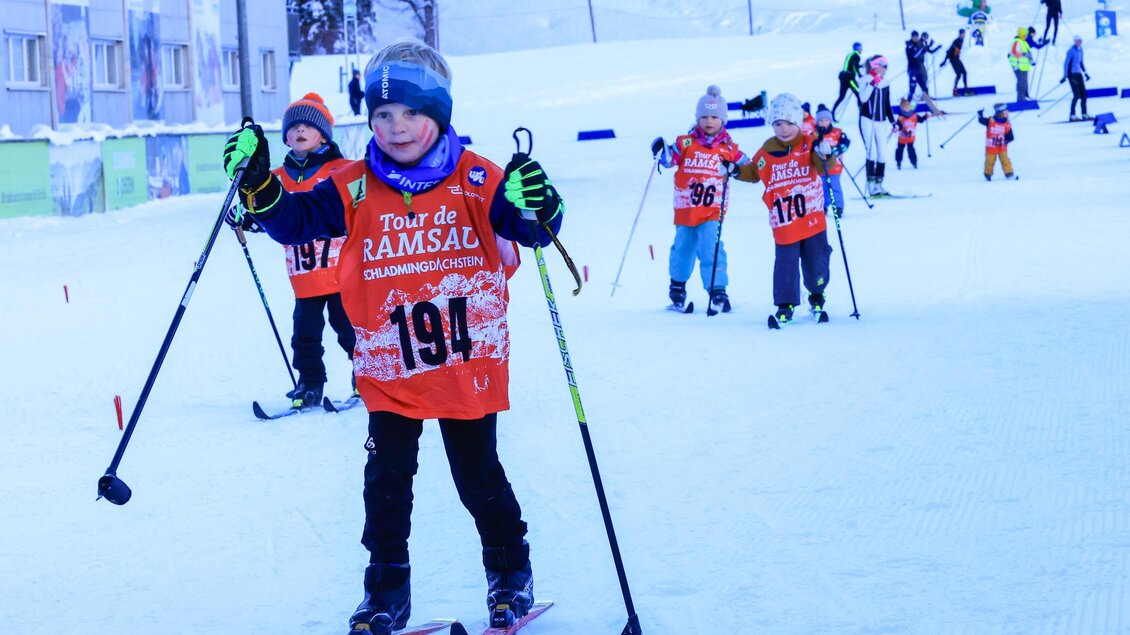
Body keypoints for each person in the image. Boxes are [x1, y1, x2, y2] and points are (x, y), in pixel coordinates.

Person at [220, 38, 564, 635]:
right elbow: (296, 221)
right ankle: (385, 592)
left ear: (439, 113)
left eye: (411, 113)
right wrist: (259, 185)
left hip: (465, 361)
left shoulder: (478, 176)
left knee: (478, 475)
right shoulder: (354, 184)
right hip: (388, 365)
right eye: (382, 115)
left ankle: (510, 575)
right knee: (385, 484)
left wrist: (541, 204)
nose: (396, 127)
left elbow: (529, 228)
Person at [233, 93, 357, 407]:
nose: (300, 130)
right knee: (304, 335)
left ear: (324, 134)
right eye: (294, 126)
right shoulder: (275, 177)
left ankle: (367, 375)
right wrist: (243, 216)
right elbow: (261, 208)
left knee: (350, 327)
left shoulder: (342, 170)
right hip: (304, 276)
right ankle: (310, 382)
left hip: (342, 273)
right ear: (286, 137)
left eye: (308, 125)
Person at [718, 93, 834, 326]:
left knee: (816, 261)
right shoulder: (768, 150)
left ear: (798, 123)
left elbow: (825, 167)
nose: (784, 129)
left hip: (811, 218)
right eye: (778, 123)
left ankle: (817, 294)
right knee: (785, 264)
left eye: (789, 123)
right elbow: (754, 172)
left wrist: (825, 152)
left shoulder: (809, 142)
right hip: (784, 221)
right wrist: (734, 170)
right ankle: (785, 304)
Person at [651, 85, 748, 313]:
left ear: (723, 120)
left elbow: (748, 168)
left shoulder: (729, 148)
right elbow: (668, 160)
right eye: (704, 116)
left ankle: (717, 290)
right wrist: (661, 151)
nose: (709, 121)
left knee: (711, 247)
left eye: (714, 116)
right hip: (686, 209)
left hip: (713, 210)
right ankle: (677, 288)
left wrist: (736, 169)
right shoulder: (686, 143)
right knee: (683, 248)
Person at [858, 54, 895, 196]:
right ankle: (870, 185)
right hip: (868, 119)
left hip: (881, 121)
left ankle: (879, 184)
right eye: (884, 66)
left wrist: (893, 121)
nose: (886, 69)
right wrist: (873, 83)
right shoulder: (865, 80)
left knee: (882, 154)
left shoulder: (885, 82)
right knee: (871, 152)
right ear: (876, 66)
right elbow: (863, 98)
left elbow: (886, 103)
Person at [813, 104, 851, 218]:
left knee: (834, 186)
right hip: (821, 166)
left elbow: (846, 143)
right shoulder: (814, 134)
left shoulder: (837, 132)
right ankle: (823, 206)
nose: (824, 123)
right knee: (823, 187)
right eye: (821, 121)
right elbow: (811, 148)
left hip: (835, 166)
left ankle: (838, 207)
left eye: (826, 120)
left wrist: (836, 149)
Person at [978, 103, 1017, 180]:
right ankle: (988, 174)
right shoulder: (991, 121)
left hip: (1002, 147)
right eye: (1005, 112)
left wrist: (1007, 141)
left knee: (1005, 160)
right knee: (990, 161)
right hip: (991, 147)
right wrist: (980, 114)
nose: (1007, 113)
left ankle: (1009, 173)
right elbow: (981, 120)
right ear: (1000, 113)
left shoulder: (1006, 124)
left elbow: (1011, 136)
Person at [893, 98, 933, 169]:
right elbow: (898, 125)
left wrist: (925, 116)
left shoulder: (914, 115)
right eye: (905, 107)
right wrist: (896, 127)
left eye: (908, 106)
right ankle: (898, 161)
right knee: (900, 149)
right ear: (902, 108)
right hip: (902, 137)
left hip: (910, 137)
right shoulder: (901, 117)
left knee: (911, 149)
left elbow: (920, 120)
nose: (907, 108)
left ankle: (914, 162)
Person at [833, 42, 864, 119]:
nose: (861, 50)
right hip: (850, 79)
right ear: (858, 48)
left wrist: (860, 66)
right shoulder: (857, 56)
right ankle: (862, 114)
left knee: (841, 97)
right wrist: (859, 75)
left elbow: (850, 65)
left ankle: (832, 112)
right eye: (861, 48)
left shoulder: (850, 55)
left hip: (843, 77)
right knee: (859, 94)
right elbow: (854, 66)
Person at [1009, 27, 1035, 102]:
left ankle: (1025, 96)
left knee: (1025, 82)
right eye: (1025, 34)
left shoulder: (1024, 42)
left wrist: (1031, 60)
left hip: (1024, 67)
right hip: (1018, 66)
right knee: (1021, 83)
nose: (1026, 36)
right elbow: (1014, 52)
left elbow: (1028, 53)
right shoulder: (1017, 42)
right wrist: (1024, 54)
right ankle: (1020, 99)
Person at [941, 29, 970, 96]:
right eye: (962, 34)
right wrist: (944, 61)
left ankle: (966, 89)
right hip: (953, 60)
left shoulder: (961, 41)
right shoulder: (956, 41)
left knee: (964, 73)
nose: (963, 35)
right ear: (959, 34)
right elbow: (949, 51)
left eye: (964, 34)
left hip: (957, 59)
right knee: (959, 74)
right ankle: (955, 90)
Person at [904, 31, 930, 101]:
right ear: (912, 37)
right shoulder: (909, 45)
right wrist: (922, 49)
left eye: (917, 37)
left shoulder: (917, 44)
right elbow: (915, 55)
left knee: (924, 87)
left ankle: (928, 104)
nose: (916, 38)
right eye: (914, 37)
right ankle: (909, 104)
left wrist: (928, 46)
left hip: (918, 69)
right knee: (912, 88)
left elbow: (923, 51)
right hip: (912, 70)